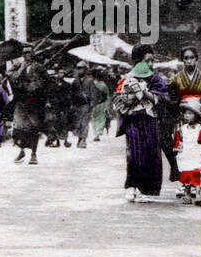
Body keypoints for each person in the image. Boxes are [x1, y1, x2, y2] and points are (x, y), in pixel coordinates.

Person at [111, 43, 169, 201]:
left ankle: (147, 189)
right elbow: (117, 99)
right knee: (134, 154)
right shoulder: (127, 78)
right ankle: (131, 185)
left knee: (151, 153)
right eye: (146, 61)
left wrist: (145, 92)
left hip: (150, 120)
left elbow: (164, 98)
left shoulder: (156, 78)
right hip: (133, 121)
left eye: (152, 61)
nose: (150, 64)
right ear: (137, 61)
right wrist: (125, 100)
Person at [172, 99, 201, 206]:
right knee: (186, 174)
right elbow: (177, 142)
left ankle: (198, 194)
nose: (186, 116)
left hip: (197, 154)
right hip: (185, 155)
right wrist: (178, 150)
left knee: (197, 174)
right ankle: (187, 194)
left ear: (196, 116)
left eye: (190, 113)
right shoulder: (181, 129)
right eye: (185, 113)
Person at [170, 45, 201, 125]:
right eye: (186, 58)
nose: (189, 61)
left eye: (192, 58)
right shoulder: (176, 79)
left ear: (196, 59)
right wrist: (179, 103)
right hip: (183, 116)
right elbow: (172, 99)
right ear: (182, 60)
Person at [9, 59, 47, 165]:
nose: (27, 56)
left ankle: (33, 154)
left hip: (34, 102)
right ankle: (21, 151)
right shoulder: (17, 69)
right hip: (20, 103)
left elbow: (46, 82)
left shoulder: (38, 68)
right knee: (18, 130)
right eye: (25, 54)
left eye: (29, 53)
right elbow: (10, 75)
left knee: (34, 128)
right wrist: (20, 68)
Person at [68, 60, 97, 148]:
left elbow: (93, 93)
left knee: (84, 123)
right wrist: (71, 104)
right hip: (77, 104)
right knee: (77, 123)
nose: (79, 70)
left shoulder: (89, 81)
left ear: (85, 70)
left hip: (85, 104)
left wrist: (92, 104)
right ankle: (80, 138)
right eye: (78, 68)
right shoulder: (75, 81)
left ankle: (83, 140)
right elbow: (71, 93)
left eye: (81, 68)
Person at [89, 67, 111, 141]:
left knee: (95, 118)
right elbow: (107, 95)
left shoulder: (96, 84)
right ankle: (98, 133)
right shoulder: (103, 84)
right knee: (101, 118)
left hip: (97, 103)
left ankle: (97, 133)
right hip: (102, 103)